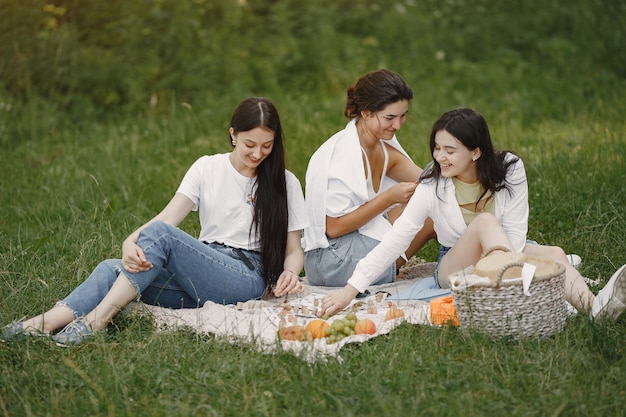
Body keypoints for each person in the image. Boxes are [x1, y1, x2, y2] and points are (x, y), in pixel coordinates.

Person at [1, 97, 309, 345]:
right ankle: (39, 325)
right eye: (249, 145)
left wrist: (292, 272)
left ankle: (97, 322)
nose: (258, 153)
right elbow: (167, 217)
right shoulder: (207, 168)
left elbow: (293, 249)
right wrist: (128, 242)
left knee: (161, 237)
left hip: (244, 276)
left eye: (266, 146)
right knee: (112, 268)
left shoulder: (285, 182)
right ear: (233, 135)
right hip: (201, 273)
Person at [320, 107, 626, 322]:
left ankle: (595, 310)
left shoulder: (510, 169)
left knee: (556, 255)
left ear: (476, 152)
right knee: (485, 222)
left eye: (450, 150)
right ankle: (519, 289)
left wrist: (512, 262)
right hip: (454, 263)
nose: (440, 157)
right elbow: (395, 240)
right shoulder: (432, 185)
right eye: (437, 148)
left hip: (507, 252)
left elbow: (517, 233)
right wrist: (351, 290)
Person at [303, 69, 435, 287]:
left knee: (436, 199)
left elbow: (430, 183)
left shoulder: (384, 151)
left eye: (403, 116)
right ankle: (463, 275)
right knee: (428, 217)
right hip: (331, 261)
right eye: (390, 117)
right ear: (366, 113)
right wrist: (389, 198)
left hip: (353, 246)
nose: (398, 125)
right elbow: (333, 228)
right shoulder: (344, 155)